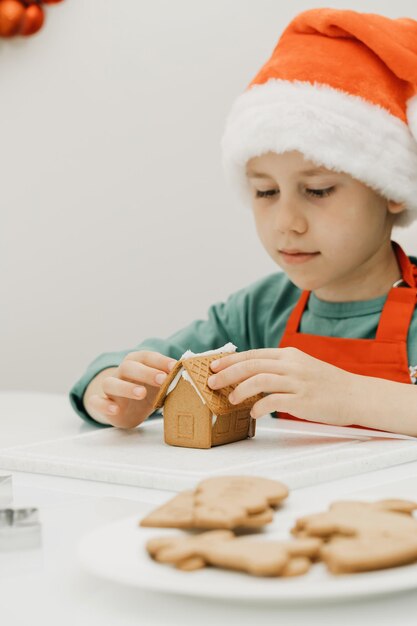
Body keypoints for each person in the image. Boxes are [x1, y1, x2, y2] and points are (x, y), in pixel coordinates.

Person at [70, 7, 417, 435]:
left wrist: (350, 395)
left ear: (392, 190)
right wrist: (113, 389)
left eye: (318, 190)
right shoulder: (257, 312)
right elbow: (141, 364)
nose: (287, 223)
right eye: (266, 192)